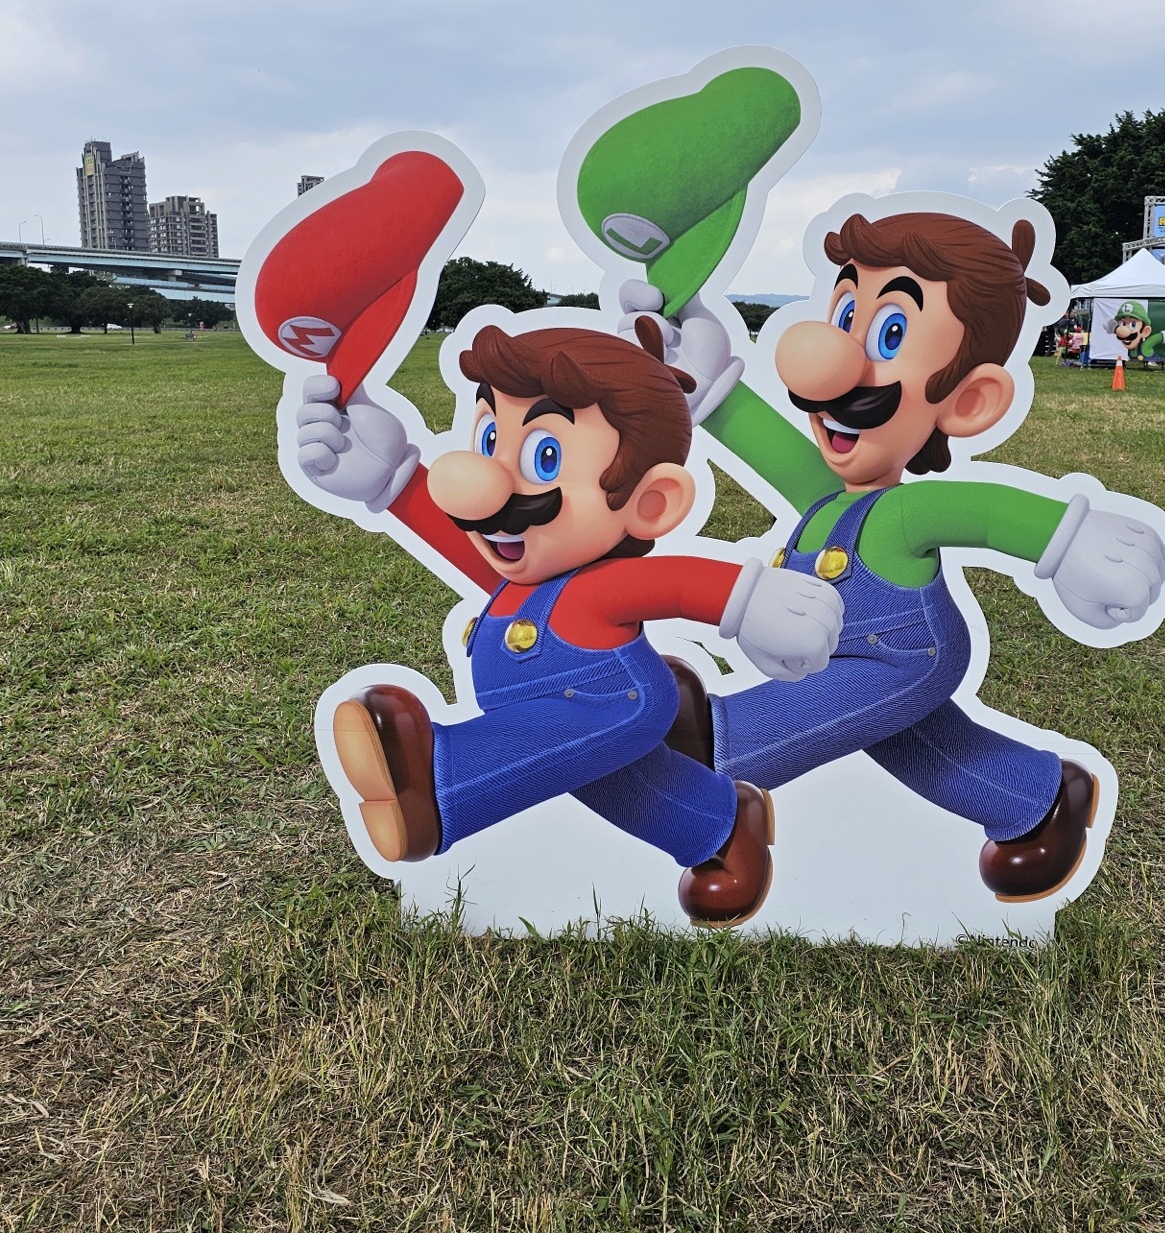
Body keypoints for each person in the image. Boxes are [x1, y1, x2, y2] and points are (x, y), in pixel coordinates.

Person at [624, 210, 1165, 902]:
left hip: (901, 655)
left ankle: (715, 745)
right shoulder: (830, 499)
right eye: (845, 314)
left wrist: (1068, 540)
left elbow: (979, 510)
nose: (830, 360)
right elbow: (774, 452)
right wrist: (704, 384)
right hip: (849, 647)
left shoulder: (905, 512)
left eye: (889, 333)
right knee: (917, 744)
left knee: (811, 713)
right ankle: (1036, 799)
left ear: (969, 401)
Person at [289, 322, 845, 926]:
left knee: (570, 748)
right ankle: (723, 827)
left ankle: (439, 783)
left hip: (609, 700)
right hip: (556, 713)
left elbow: (678, 582)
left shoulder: (597, 587)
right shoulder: (521, 574)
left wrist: (752, 602)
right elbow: (454, 533)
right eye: (490, 439)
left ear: (651, 503)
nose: (485, 486)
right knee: (621, 785)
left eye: (543, 456)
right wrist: (388, 477)